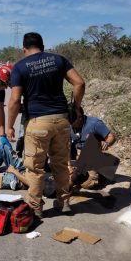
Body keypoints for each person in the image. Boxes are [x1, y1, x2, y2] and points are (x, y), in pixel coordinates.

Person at [7, 32, 85, 219]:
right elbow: (79, 83)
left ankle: (36, 206)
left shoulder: (20, 67)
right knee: (59, 164)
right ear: (42, 45)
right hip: (61, 120)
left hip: (37, 122)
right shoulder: (59, 60)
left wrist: (10, 125)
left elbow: (15, 99)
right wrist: (76, 107)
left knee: (35, 167)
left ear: (24, 49)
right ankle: (64, 202)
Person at [69, 107, 116, 189]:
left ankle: (101, 172)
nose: (70, 122)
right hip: (79, 161)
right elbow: (66, 147)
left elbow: (111, 136)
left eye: (72, 119)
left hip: (97, 160)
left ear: (80, 117)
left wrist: (106, 143)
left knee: (84, 182)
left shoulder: (95, 123)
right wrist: (68, 165)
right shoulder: (69, 126)